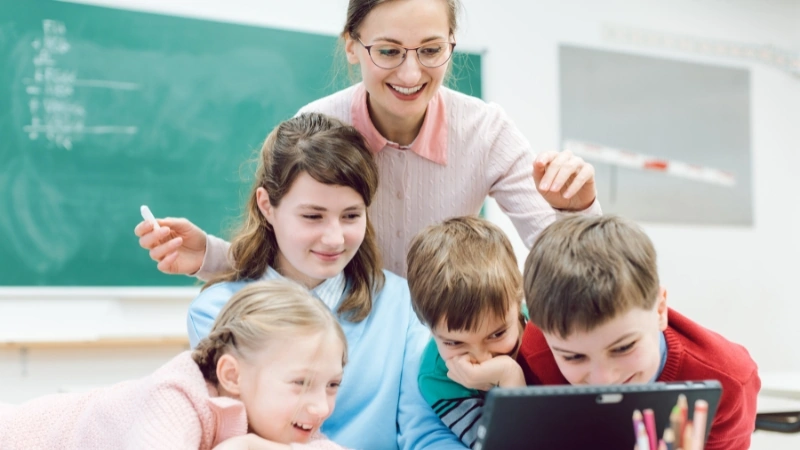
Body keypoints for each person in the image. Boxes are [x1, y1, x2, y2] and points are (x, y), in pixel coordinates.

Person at [134, 0, 601, 279]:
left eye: (432, 50)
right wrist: (211, 257)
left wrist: (578, 210)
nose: (412, 72)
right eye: (389, 51)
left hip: (448, 345)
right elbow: (287, 245)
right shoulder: (316, 126)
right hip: (343, 345)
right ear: (353, 46)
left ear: (451, 44)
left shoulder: (485, 130)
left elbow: (572, 261)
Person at [186, 112, 466, 449]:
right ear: (267, 206)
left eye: (351, 215)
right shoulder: (216, 311)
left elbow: (425, 434)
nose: (334, 238)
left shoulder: (401, 303)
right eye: (312, 216)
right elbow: (234, 435)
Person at [0, 280, 349, 450]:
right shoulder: (176, 396)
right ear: (232, 375)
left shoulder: (290, 420)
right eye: (300, 383)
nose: (321, 406)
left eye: (332, 385)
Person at [517, 215, 760, 450]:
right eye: (573, 357)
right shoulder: (538, 352)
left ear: (660, 309)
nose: (605, 380)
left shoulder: (728, 383)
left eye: (623, 348)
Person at [405, 216, 527, 448]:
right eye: (454, 343)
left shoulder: (545, 328)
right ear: (430, 328)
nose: (481, 358)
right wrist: (510, 377)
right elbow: (504, 445)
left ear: (519, 298)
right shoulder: (437, 377)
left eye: (496, 334)